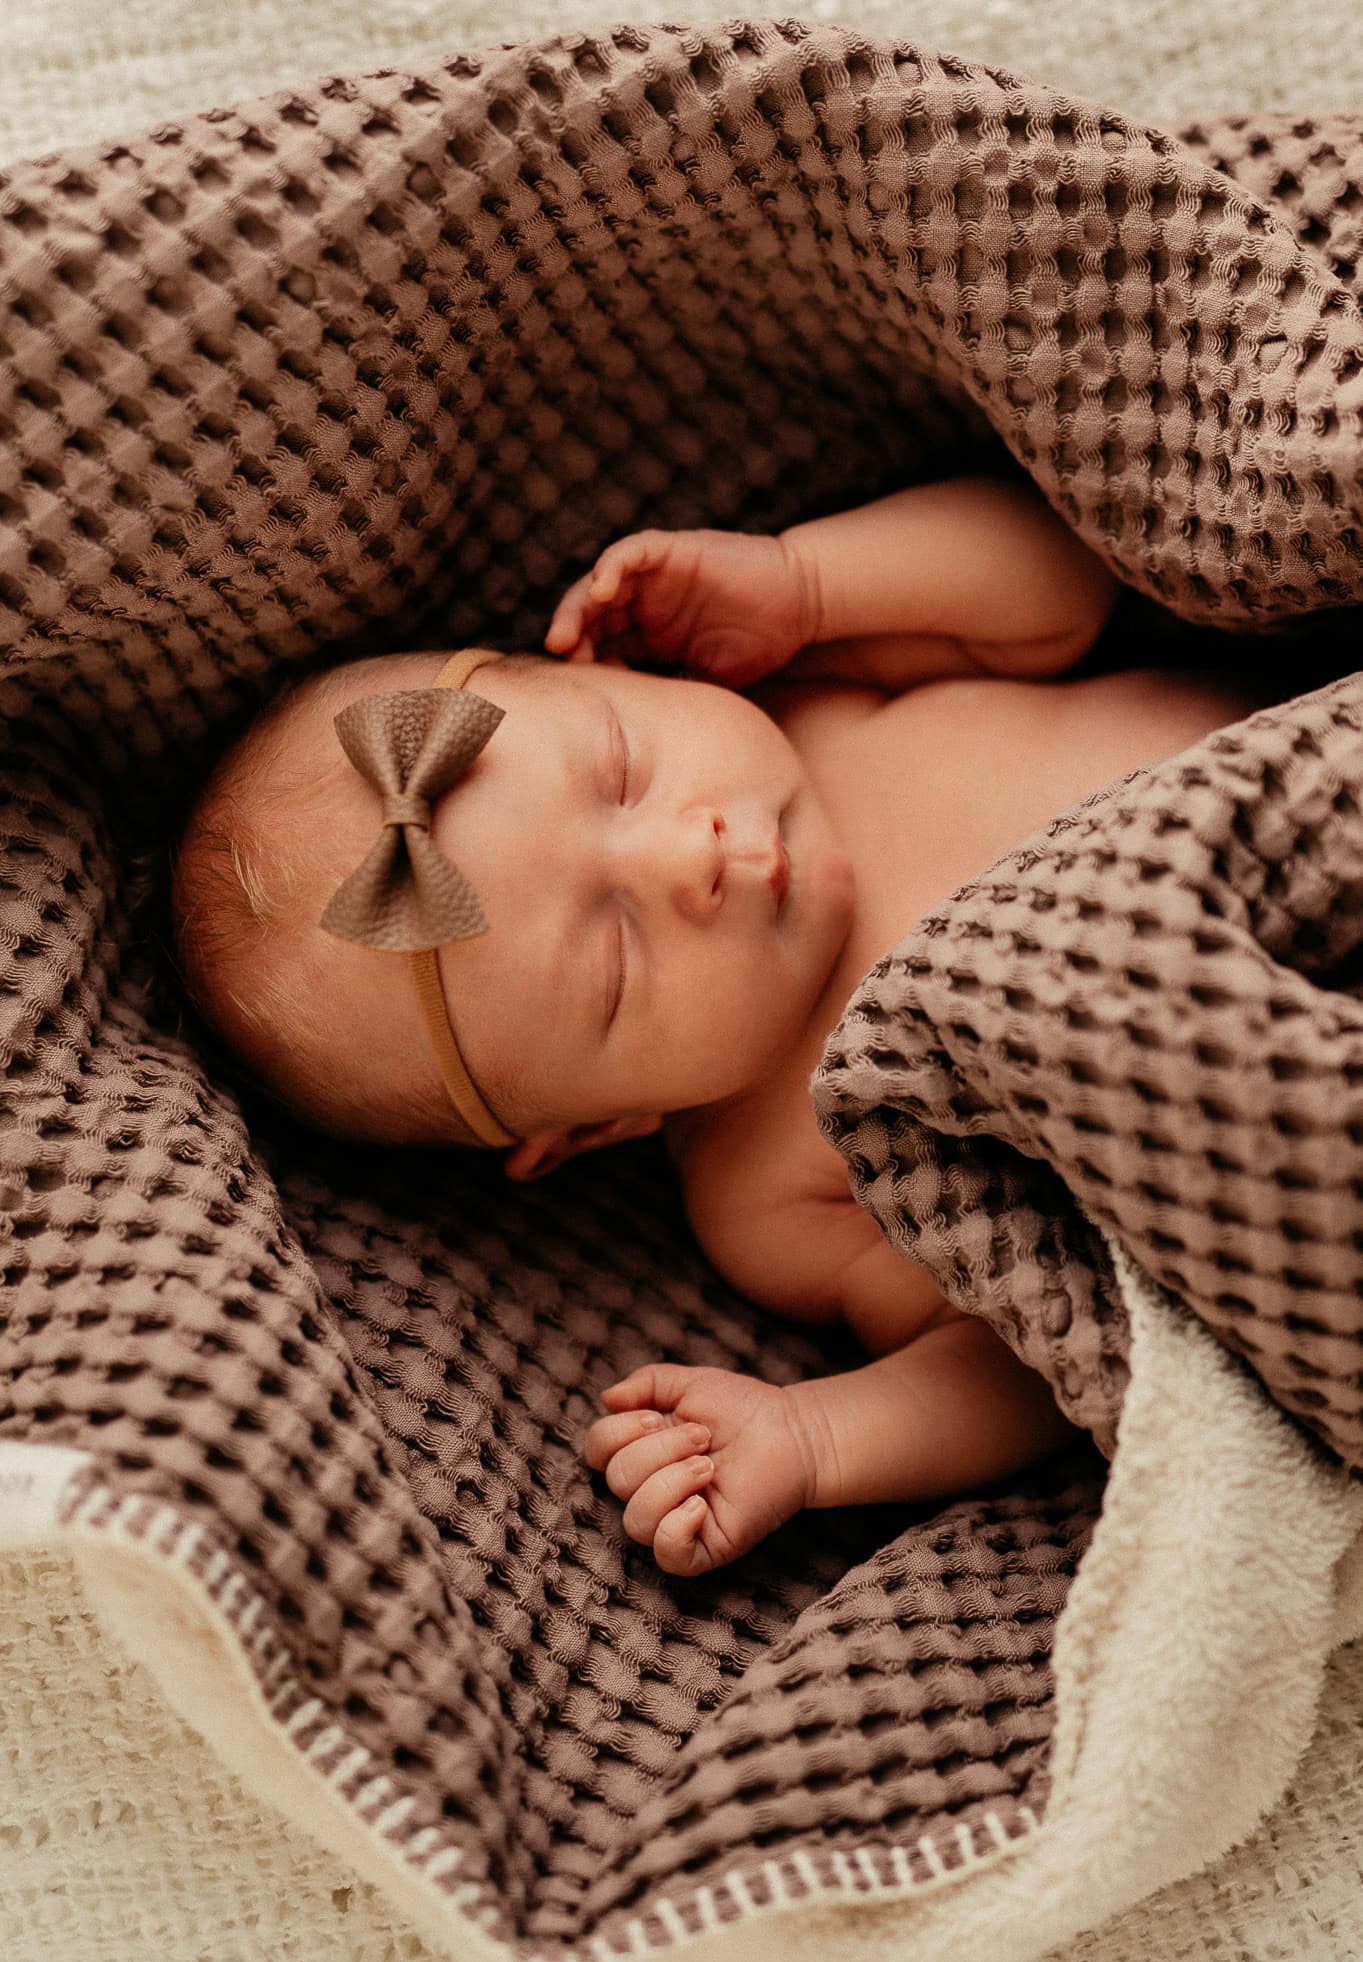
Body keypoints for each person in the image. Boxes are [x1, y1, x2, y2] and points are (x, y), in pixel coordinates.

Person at [171, 474, 1263, 1576]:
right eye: (615, 961)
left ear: (616, 672)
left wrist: (808, 581)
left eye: (622, 770)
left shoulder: (807, 684)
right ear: (599, 1127)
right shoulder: (768, 1188)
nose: (684, 856)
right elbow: (1030, 1344)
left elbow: (1063, 581)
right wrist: (813, 1437)